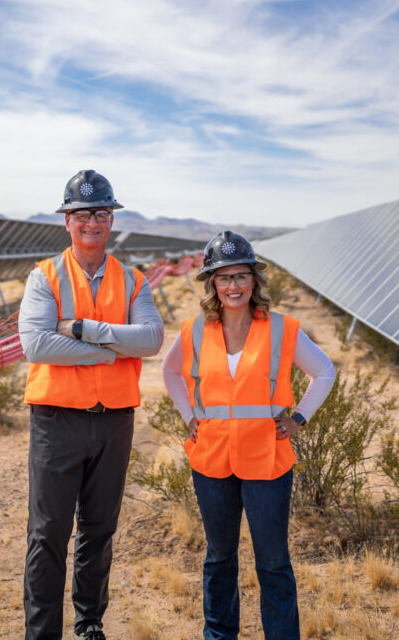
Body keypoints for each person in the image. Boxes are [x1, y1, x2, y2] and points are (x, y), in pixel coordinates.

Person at [162, 230, 336, 639]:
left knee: (273, 561)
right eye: (224, 278)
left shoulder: (282, 328)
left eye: (241, 276)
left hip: (267, 461)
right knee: (219, 558)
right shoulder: (194, 331)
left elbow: (325, 371)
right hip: (212, 461)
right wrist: (189, 416)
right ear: (212, 284)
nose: (233, 286)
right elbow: (170, 372)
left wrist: (300, 418)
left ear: (255, 280)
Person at [19, 169, 164, 640]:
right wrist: (113, 350)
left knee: (99, 530)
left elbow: (152, 339)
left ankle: (89, 623)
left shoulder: (133, 280)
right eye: (81, 214)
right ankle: (42, 635)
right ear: (67, 221)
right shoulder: (44, 276)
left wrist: (84, 331)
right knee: (48, 536)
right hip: (56, 422)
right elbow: (37, 345)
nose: (92, 222)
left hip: (114, 423)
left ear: (111, 219)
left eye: (101, 213)